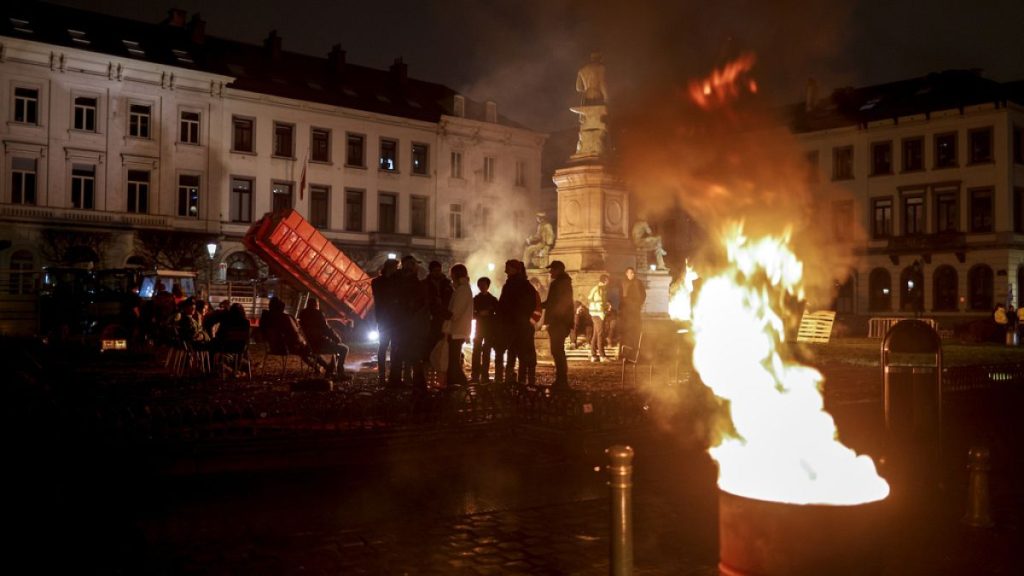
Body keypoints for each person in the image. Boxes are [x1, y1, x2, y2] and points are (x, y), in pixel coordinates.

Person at [259, 296, 325, 373]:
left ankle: (317, 367)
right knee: (310, 349)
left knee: (304, 351)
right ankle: (326, 366)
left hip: (273, 347)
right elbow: (295, 334)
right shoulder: (285, 318)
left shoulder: (265, 318)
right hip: (286, 347)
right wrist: (303, 342)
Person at [498, 259, 538, 386]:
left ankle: (513, 378)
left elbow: (504, 305)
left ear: (515, 269)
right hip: (521, 325)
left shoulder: (514, 285)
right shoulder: (525, 285)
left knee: (515, 352)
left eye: (508, 268)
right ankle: (521, 379)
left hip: (515, 325)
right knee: (520, 353)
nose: (505, 271)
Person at [392, 255, 429, 389]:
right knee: (411, 355)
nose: (413, 267)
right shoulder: (410, 282)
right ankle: (418, 384)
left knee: (402, 354)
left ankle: (397, 381)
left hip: (405, 324)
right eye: (412, 265)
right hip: (408, 325)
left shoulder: (401, 281)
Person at [298, 298, 350, 381]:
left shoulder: (302, 314)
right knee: (344, 349)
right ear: (316, 305)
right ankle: (340, 373)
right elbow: (326, 329)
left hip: (310, 345)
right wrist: (336, 338)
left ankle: (328, 369)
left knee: (332, 350)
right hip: (320, 344)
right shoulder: (318, 314)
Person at [542, 260, 574, 392]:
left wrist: (538, 305)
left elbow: (553, 303)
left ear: (559, 270)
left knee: (557, 351)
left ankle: (562, 380)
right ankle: (561, 379)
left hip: (558, 322)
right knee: (558, 351)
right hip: (561, 322)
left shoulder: (559, 284)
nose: (550, 272)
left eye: (552, 269)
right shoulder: (565, 283)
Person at [371, 259, 399, 384]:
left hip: (392, 319)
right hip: (385, 319)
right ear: (390, 268)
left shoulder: (393, 281)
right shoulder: (377, 282)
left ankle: (392, 375)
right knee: (383, 346)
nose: (397, 270)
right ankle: (382, 375)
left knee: (393, 347)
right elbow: (382, 298)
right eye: (395, 267)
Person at [446, 264, 473, 386]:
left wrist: (446, 314)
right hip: (459, 329)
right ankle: (457, 382)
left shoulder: (462, 289)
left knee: (453, 360)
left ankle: (457, 382)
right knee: (454, 359)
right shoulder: (462, 288)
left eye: (452, 273)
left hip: (457, 330)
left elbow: (456, 312)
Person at [471, 276, 498, 383]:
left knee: (486, 351)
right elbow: (471, 313)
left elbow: (498, 313)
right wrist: (479, 314)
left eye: (484, 285)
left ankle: (484, 374)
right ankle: (475, 374)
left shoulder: (493, 299)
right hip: (480, 328)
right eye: (480, 285)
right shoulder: (476, 299)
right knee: (477, 351)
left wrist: (488, 313)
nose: (482, 287)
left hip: (488, 329)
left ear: (487, 286)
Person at [619, 267, 646, 353]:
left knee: (636, 328)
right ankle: (627, 349)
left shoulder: (638, 282)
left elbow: (643, 294)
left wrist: (639, 303)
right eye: (629, 273)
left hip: (635, 309)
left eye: (632, 273)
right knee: (627, 329)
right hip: (626, 310)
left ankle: (636, 348)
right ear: (626, 274)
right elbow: (620, 295)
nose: (631, 274)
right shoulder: (623, 283)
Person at [587, 274, 611, 362]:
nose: (609, 282)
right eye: (608, 281)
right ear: (605, 281)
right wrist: (606, 309)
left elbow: (590, 299)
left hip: (594, 314)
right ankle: (602, 356)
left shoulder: (595, 288)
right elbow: (599, 303)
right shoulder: (601, 290)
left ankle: (593, 355)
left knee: (596, 334)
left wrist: (606, 305)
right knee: (600, 334)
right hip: (598, 314)